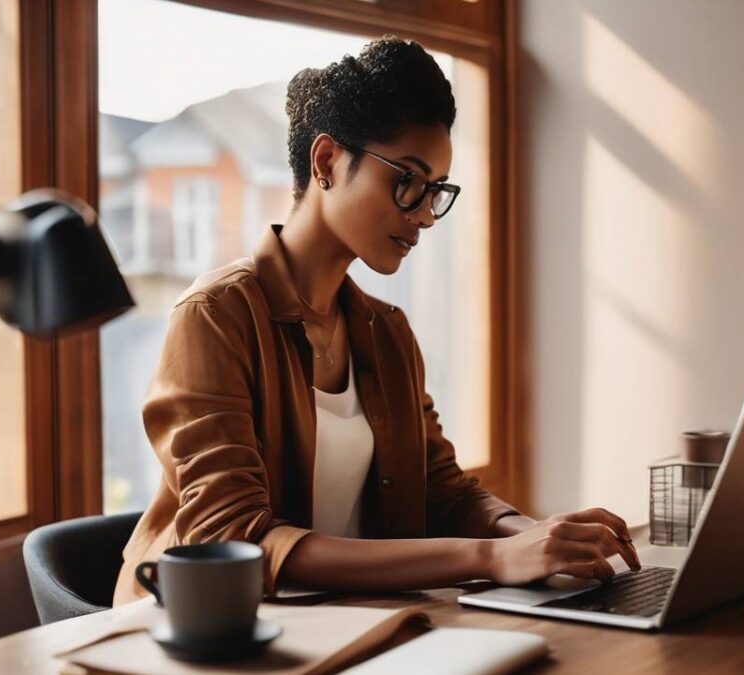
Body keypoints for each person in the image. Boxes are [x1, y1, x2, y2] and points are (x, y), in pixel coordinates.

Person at [113, 36, 639, 605]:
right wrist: (489, 556)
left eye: (435, 191)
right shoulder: (215, 316)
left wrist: (537, 536)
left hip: (347, 620)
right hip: (203, 628)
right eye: (407, 182)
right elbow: (234, 537)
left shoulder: (387, 330)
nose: (426, 216)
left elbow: (444, 492)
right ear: (327, 162)